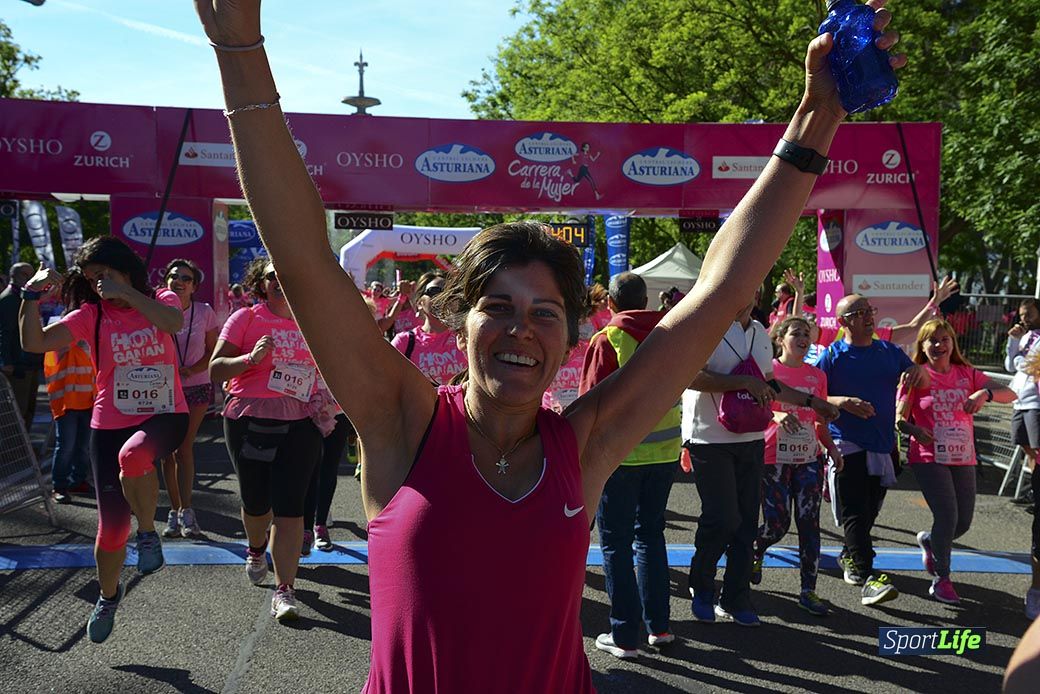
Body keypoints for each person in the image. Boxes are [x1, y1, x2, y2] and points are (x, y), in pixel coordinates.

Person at [195, 0, 903, 685]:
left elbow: (721, 288)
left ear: (570, 337)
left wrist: (819, 115)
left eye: (545, 313)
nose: (521, 329)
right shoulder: (402, 422)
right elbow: (303, 259)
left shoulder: (584, 445)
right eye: (498, 308)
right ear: (461, 321)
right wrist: (239, 47)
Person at [19, 238, 189, 644]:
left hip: (164, 414)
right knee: (111, 529)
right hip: (109, 422)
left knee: (134, 456)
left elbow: (172, 323)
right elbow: (34, 343)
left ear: (125, 270)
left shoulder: (160, 299)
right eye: (92, 278)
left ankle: (146, 532)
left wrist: (126, 293)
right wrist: (30, 295)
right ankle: (108, 595)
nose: (99, 284)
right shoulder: (90, 316)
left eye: (105, 274)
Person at [682, 302, 838, 627]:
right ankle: (702, 587)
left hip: (751, 437)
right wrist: (743, 382)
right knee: (722, 518)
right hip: (708, 438)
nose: (748, 293)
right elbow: (691, 377)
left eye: (754, 287)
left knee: (746, 523)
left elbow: (770, 384)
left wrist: (813, 402)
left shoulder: (758, 333)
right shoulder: (707, 325)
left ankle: (735, 598)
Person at [209, 257, 326, 622]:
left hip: (302, 418)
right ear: (261, 283)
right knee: (256, 503)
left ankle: (284, 589)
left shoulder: (313, 321)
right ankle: (256, 547)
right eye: (271, 277)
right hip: (249, 417)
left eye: (285, 276)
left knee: (291, 508)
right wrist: (250, 358)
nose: (278, 282)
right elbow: (215, 370)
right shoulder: (245, 318)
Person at [579, 271, 681, 657]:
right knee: (651, 537)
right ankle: (660, 627)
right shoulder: (669, 336)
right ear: (646, 300)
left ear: (610, 303)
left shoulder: (608, 338)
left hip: (620, 454)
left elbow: (592, 400)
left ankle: (624, 635)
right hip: (665, 451)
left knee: (616, 544)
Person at [815, 293, 927, 607]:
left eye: (869, 310)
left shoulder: (889, 351)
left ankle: (851, 555)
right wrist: (841, 402)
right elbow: (811, 394)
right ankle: (868, 578)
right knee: (855, 511)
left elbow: (921, 378)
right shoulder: (832, 356)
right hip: (846, 444)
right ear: (843, 322)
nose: (868, 316)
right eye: (859, 312)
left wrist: (918, 373)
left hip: (883, 446)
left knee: (869, 510)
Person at [897, 318, 1015, 604]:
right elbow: (899, 419)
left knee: (962, 523)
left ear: (952, 343)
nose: (939, 345)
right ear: (923, 345)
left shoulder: (967, 373)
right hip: (929, 456)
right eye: (932, 340)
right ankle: (942, 579)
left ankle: (930, 541)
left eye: (944, 339)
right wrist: (915, 430)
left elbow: (1010, 394)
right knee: (947, 516)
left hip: (963, 455)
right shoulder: (916, 375)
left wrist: (985, 393)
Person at [751, 316, 843, 616]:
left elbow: (819, 421)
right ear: (781, 339)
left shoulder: (817, 376)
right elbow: (755, 409)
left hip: (808, 460)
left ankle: (808, 590)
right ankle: (756, 547)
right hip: (773, 458)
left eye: (807, 333)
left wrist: (831, 448)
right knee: (777, 525)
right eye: (796, 333)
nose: (803, 338)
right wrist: (776, 416)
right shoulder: (768, 370)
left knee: (809, 523)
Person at [160, 258, 220, 539]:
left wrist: (192, 369)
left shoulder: (204, 311)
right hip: (164, 387)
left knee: (183, 449)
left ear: (194, 286)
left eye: (186, 278)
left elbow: (214, 350)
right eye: (174, 276)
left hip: (196, 386)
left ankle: (187, 511)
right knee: (166, 452)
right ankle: (173, 512)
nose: (179, 281)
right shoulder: (156, 310)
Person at [43, 279, 97, 504]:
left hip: (89, 399)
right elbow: (55, 354)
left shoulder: (92, 325)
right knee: (65, 446)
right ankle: (60, 485)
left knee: (83, 446)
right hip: (66, 401)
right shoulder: (61, 327)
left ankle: (78, 480)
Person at [389, 271, 467, 385]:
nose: (443, 297)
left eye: (449, 292)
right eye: (435, 291)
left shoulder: (465, 337)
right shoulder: (404, 342)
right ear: (420, 303)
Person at [1, 262, 45, 427]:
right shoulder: (9, 298)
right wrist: (6, 361)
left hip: (28, 362)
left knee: (28, 409)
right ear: (18, 276)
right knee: (18, 411)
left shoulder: (21, 297)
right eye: (28, 275)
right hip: (17, 365)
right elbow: (5, 332)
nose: (31, 278)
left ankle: (26, 441)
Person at [1006, 298, 1040, 506]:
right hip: (1019, 400)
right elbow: (1010, 365)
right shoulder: (1024, 336)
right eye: (1021, 315)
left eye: (1029, 314)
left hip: (1036, 401)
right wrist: (1012, 341)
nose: (1025, 319)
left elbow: (1030, 366)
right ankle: (1035, 490)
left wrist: (1018, 358)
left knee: (1038, 450)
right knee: (1027, 448)